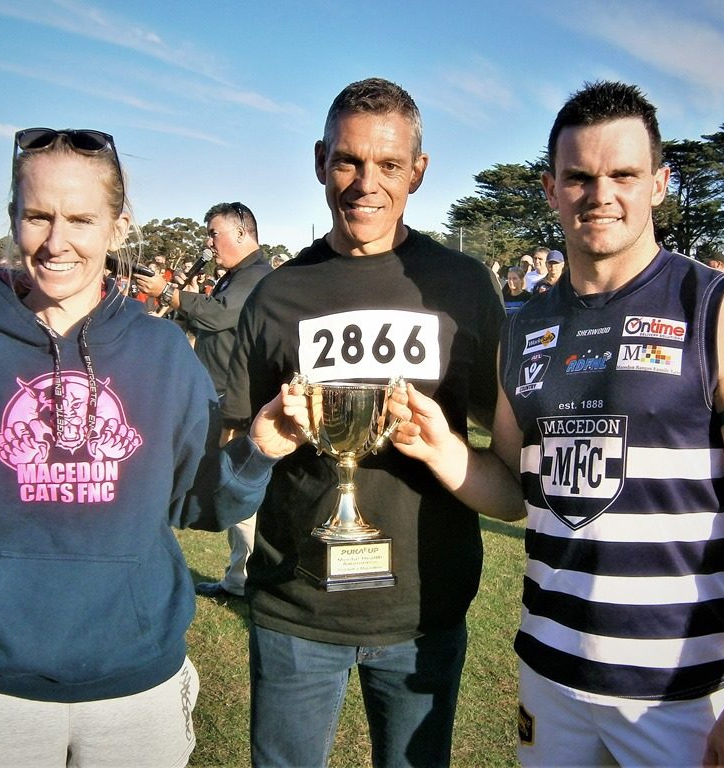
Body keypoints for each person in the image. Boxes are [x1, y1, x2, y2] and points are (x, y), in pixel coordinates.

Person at [388, 81, 724, 767]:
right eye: (579, 177)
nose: (600, 195)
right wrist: (444, 451)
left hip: (678, 693)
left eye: (624, 175)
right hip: (550, 676)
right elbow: (514, 492)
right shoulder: (525, 328)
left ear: (660, 184)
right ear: (551, 189)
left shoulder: (722, 313)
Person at [0, 127, 308, 768]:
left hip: (137, 684)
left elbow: (199, 505)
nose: (56, 241)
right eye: (38, 216)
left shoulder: (161, 352)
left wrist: (257, 451)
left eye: (80, 219)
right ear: (13, 218)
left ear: (118, 229)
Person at [222, 77, 502, 767]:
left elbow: (508, 447)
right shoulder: (276, 294)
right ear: (321, 161)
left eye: (389, 165)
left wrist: (447, 450)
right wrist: (262, 442)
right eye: (347, 160)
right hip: (296, 607)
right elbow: (230, 454)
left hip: (422, 612)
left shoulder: (463, 286)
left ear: (418, 171)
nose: (365, 183)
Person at [136, 201, 273, 599]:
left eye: (214, 234)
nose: (209, 243)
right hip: (217, 394)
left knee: (237, 487)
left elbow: (217, 315)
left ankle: (247, 579)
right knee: (227, 484)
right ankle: (238, 578)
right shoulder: (235, 276)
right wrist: (180, 299)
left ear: (241, 234)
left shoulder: (257, 276)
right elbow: (202, 319)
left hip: (235, 401)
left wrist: (169, 293)